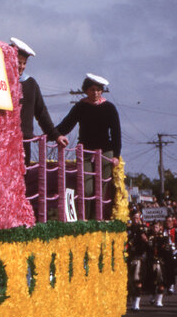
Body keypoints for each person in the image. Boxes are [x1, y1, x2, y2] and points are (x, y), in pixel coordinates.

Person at [56, 73, 121, 218]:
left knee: (102, 189)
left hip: (105, 152)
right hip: (85, 151)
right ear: (86, 90)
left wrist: (116, 155)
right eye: (92, 89)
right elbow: (66, 124)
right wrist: (51, 134)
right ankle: (85, 218)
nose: (95, 93)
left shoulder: (109, 107)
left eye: (98, 90)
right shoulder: (81, 106)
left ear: (102, 91)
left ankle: (98, 219)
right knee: (87, 189)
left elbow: (116, 133)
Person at [11, 38, 68, 161]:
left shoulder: (31, 84)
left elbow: (41, 112)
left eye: (24, 63)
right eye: (18, 62)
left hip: (24, 140)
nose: (21, 67)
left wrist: (56, 135)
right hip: (3, 140)